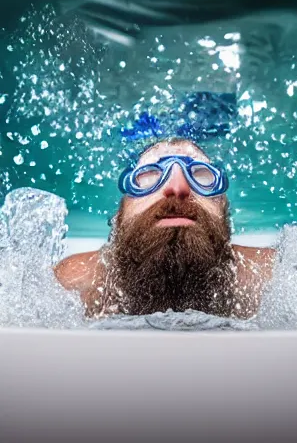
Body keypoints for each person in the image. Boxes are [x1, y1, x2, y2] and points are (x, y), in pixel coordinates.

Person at [54, 137, 276, 320]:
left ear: (223, 210)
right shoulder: (74, 284)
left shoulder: (272, 278)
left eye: (200, 175)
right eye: (150, 176)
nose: (178, 187)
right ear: (120, 215)